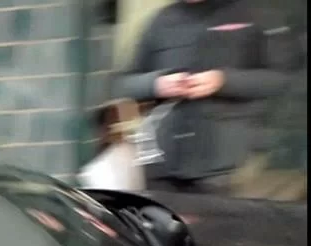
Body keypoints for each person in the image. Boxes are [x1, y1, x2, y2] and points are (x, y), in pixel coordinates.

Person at [117, 0, 299, 195]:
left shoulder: (257, 14)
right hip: (161, 162)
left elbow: (283, 80)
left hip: (228, 167)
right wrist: (156, 84)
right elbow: (122, 84)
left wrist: (224, 81)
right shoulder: (162, 20)